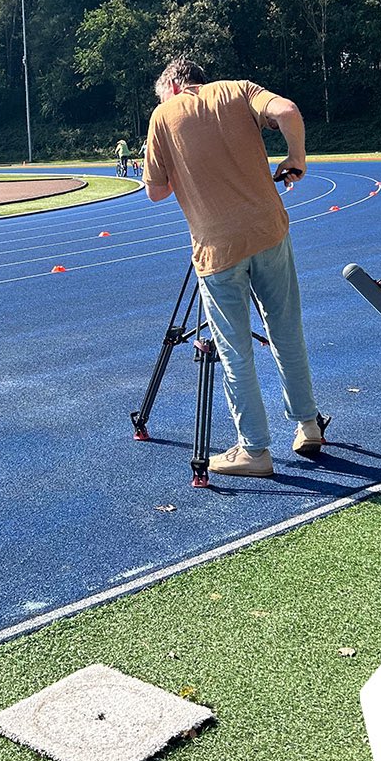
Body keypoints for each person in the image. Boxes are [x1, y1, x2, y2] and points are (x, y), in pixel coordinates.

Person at [142, 57, 328, 477]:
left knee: (234, 350)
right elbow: (288, 111)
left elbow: (155, 192)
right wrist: (296, 156)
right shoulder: (238, 89)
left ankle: (255, 450)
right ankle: (308, 423)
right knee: (286, 330)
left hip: (216, 248)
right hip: (269, 230)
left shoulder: (163, 115)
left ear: (172, 88)